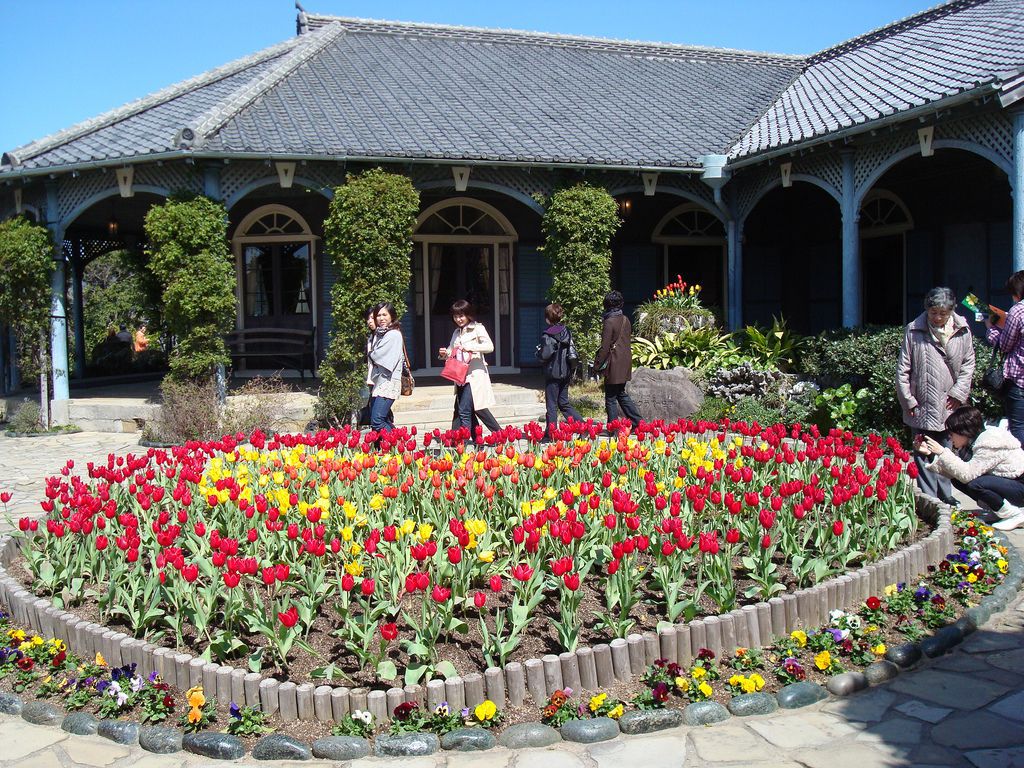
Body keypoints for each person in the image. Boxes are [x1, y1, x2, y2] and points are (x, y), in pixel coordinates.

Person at [896, 287, 976, 504]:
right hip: (922, 402)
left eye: (943, 313)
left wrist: (959, 391)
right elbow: (903, 369)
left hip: (951, 402)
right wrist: (908, 401)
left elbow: (969, 363)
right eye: (934, 313)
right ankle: (930, 499)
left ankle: (946, 495)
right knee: (923, 451)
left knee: (947, 450)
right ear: (927, 310)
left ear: (951, 311)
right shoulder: (914, 331)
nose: (938, 318)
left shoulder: (963, 330)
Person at [917, 406, 1024, 530]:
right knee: (957, 479)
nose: (950, 438)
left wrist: (942, 452)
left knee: (976, 484)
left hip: (1020, 486)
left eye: (952, 433)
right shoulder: (974, 443)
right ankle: (999, 509)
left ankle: (1014, 515)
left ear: (964, 431)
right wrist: (930, 454)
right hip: (1012, 484)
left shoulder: (989, 442)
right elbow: (957, 470)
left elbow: (967, 474)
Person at [439, 299, 501, 440]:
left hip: (474, 376)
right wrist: (444, 353)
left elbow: (490, 347)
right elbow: (452, 350)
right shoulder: (456, 332)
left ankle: (463, 443)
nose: (458, 319)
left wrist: (471, 348)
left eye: (461, 315)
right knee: (471, 409)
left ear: (468, 315)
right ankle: (496, 435)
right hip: (459, 376)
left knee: (464, 410)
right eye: (455, 316)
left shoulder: (478, 328)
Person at [985, 270, 1024, 447]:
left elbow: (1005, 345)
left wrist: (991, 329)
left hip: (1019, 382)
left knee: (1018, 429)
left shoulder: (1018, 311)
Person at [593, 290, 642, 429]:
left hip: (613, 364)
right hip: (625, 361)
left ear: (606, 305)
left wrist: (597, 365)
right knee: (621, 394)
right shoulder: (625, 319)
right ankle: (639, 422)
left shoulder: (609, 322)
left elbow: (604, 348)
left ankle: (613, 428)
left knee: (610, 397)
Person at [536, 303, 583, 440]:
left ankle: (551, 434)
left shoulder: (547, 335)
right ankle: (582, 427)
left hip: (553, 373)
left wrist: (538, 354)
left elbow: (545, 355)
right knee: (564, 403)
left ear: (547, 319)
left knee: (551, 405)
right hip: (566, 372)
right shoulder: (566, 331)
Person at [367, 303, 404, 433]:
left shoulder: (393, 334)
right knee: (384, 419)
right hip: (380, 382)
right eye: (378, 315)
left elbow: (380, 357)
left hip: (388, 383)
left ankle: (398, 443)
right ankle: (396, 445)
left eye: (385, 315)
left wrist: (371, 353)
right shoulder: (380, 334)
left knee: (377, 420)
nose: (381, 318)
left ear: (392, 316)